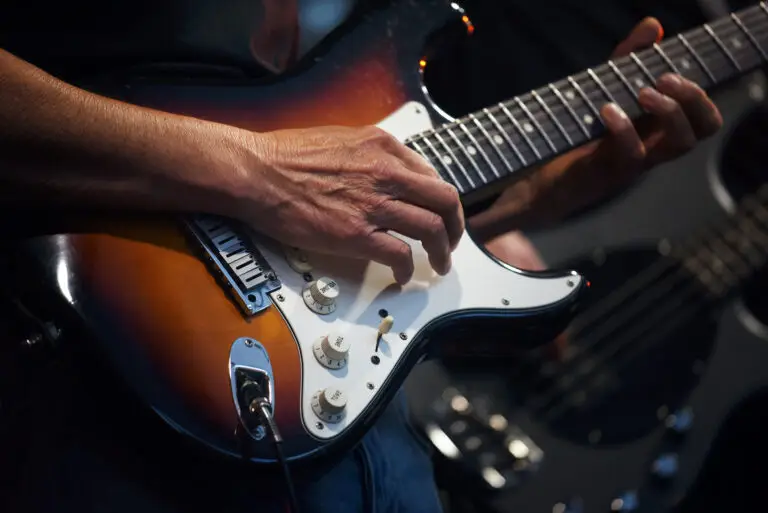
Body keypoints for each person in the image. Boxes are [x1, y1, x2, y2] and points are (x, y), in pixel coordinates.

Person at [0, 0, 722, 511]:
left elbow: (304, 183)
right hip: (98, 386)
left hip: (345, 436)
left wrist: (533, 194)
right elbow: (274, 172)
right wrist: (255, 168)